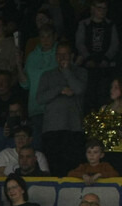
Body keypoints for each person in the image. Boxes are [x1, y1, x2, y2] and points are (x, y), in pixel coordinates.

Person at [35, 42, 88, 177]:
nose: (62, 57)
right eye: (58, 54)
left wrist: (66, 71)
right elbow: (40, 98)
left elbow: (79, 89)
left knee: (74, 168)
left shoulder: (81, 72)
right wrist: (59, 89)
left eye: (65, 54)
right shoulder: (47, 75)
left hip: (73, 128)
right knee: (54, 167)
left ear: (71, 56)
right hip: (52, 129)